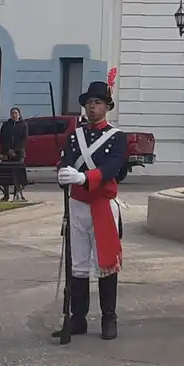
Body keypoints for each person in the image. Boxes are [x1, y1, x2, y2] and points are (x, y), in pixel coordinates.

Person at [54, 82, 128, 340]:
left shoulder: (117, 137)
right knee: (78, 264)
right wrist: (63, 174)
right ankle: (78, 318)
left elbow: (113, 167)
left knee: (106, 264)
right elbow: (64, 161)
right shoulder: (75, 136)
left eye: (97, 103)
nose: (92, 107)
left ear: (107, 107)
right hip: (77, 204)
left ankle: (109, 318)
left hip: (102, 205)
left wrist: (84, 177)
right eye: (89, 103)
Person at [0, 107, 29, 202]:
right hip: (7, 153)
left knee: (18, 173)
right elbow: (2, 138)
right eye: (12, 113)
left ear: (19, 114)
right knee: (6, 174)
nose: (14, 115)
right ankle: (6, 194)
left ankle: (17, 193)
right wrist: (8, 150)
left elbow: (24, 139)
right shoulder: (6, 125)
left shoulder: (23, 125)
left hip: (19, 153)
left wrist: (15, 150)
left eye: (16, 113)